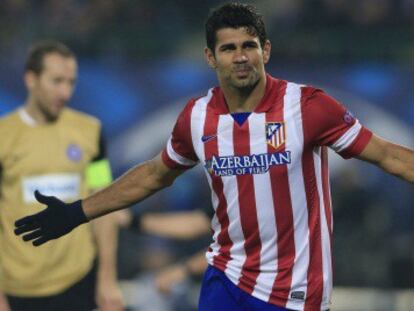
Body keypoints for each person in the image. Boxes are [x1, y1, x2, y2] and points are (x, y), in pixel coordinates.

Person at [14, 3, 414, 311]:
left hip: (295, 291)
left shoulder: (307, 106)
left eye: (249, 46)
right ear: (211, 57)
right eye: (228, 48)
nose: (240, 57)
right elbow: (155, 174)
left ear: (266, 50)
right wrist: (77, 212)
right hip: (226, 278)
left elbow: (387, 156)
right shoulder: (197, 117)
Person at [0, 40, 124, 311]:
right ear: (31, 79)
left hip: (78, 280)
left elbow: (103, 205)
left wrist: (107, 279)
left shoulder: (90, 131)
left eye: (71, 82)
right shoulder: (3, 136)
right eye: (57, 81)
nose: (65, 92)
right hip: (18, 288)